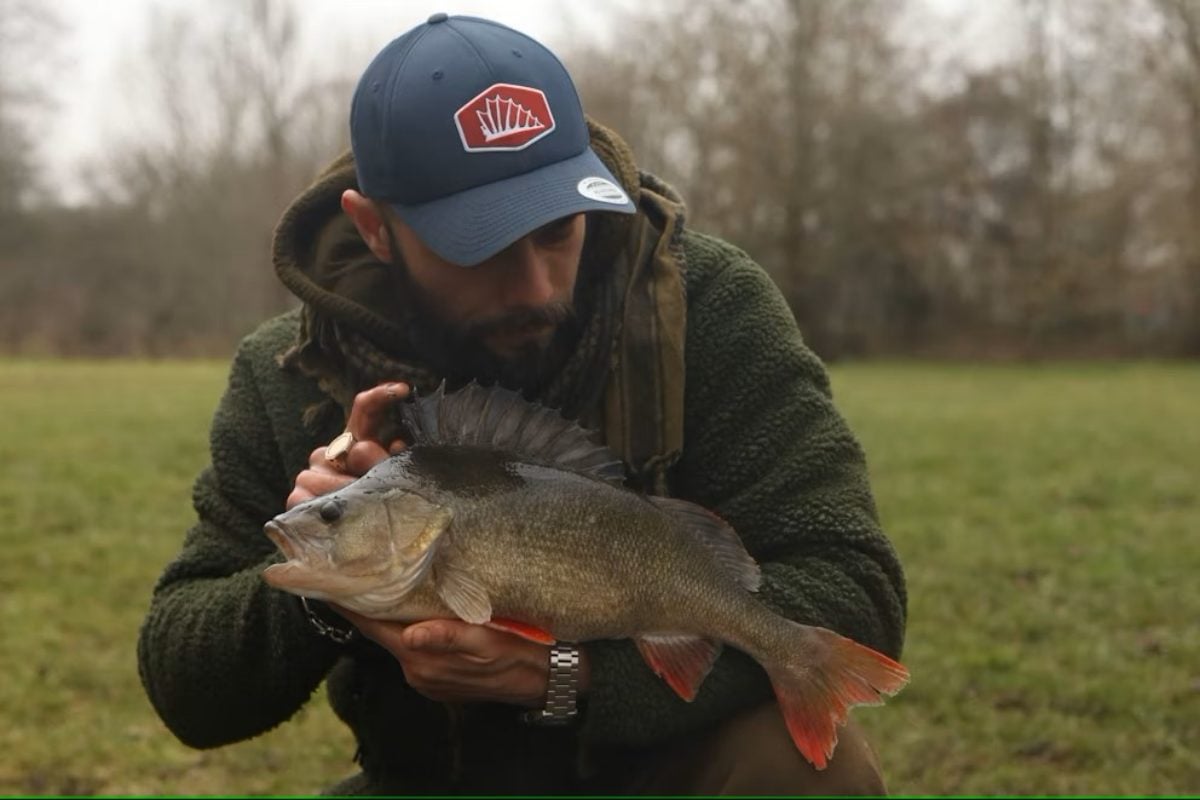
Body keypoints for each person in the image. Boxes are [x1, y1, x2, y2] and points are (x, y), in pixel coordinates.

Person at [136, 12, 907, 796]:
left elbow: (851, 586)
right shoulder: (291, 368)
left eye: (556, 230)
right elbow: (185, 685)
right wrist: (335, 587)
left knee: (813, 771)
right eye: (478, 245)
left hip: (663, 769)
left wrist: (570, 675)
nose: (535, 287)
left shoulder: (707, 307)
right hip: (427, 783)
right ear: (375, 229)